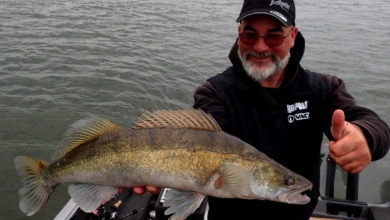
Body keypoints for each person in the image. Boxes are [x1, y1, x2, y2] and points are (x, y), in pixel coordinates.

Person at [135, 0, 390, 219]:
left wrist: (365, 136)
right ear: (238, 34)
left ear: (292, 36)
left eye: (274, 35)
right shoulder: (215, 93)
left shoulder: (323, 89)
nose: (260, 47)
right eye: (250, 34)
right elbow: (197, 140)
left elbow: (372, 124)